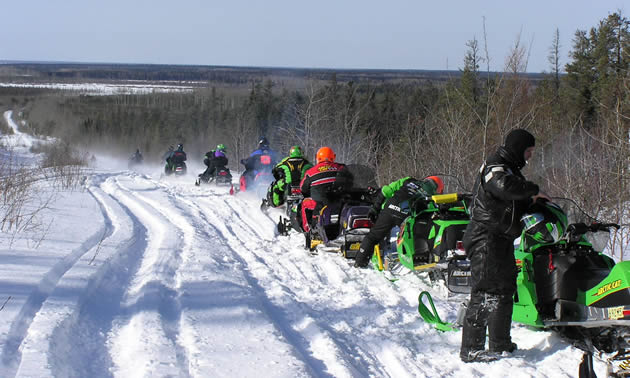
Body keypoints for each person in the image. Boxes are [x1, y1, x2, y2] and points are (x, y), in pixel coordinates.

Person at [459, 129, 550, 363]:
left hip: (501, 239)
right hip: (485, 238)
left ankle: (500, 343)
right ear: (518, 148)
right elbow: (502, 187)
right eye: (528, 151)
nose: (529, 156)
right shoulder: (496, 166)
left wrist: (532, 202)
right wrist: (532, 189)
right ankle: (471, 349)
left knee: (504, 291)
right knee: (485, 293)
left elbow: (510, 199)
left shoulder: (511, 170)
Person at [353, 176, 444, 268]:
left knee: (373, 237)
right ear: (438, 188)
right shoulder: (433, 194)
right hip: (406, 215)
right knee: (418, 234)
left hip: (390, 209)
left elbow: (385, 191)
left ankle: (360, 262)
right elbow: (432, 210)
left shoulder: (408, 180)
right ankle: (418, 258)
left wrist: (375, 209)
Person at [299, 146, 353, 233]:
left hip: (320, 204)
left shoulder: (311, 172)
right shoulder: (341, 167)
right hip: (341, 202)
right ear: (333, 157)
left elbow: (303, 188)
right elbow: (351, 180)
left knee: (305, 203)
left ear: (318, 158)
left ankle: (308, 229)